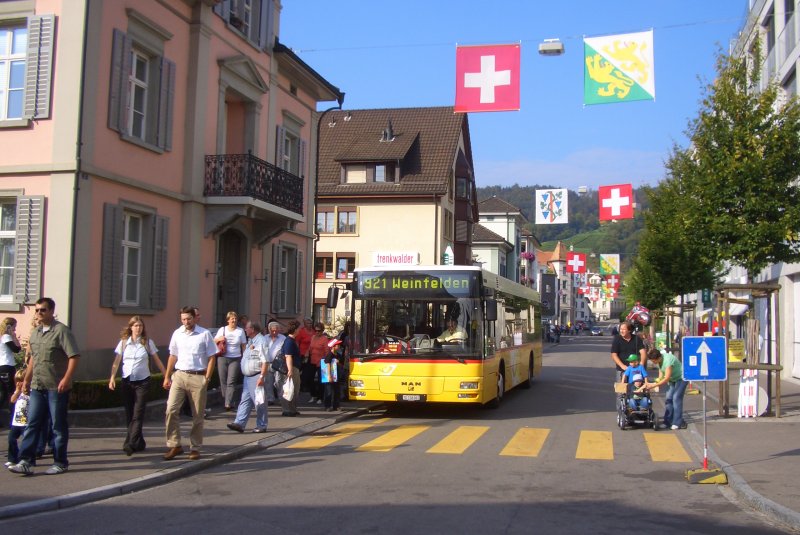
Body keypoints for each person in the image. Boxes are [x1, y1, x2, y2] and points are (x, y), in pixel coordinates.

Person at [9, 297, 80, 476]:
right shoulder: (36, 333)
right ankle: (26, 460)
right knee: (32, 423)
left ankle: (60, 461)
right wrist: (26, 379)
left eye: (43, 310)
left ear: (51, 311)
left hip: (56, 386)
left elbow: (74, 356)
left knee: (57, 425)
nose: (39, 313)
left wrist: (66, 378)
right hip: (37, 386)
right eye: (37, 310)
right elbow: (33, 358)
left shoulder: (61, 331)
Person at [162, 306, 217, 461]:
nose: (186, 322)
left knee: (197, 415)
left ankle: (195, 447)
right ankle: (175, 444)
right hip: (179, 375)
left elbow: (212, 356)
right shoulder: (177, 333)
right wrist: (167, 376)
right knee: (171, 410)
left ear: (195, 318)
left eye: (188, 319)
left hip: (197, 376)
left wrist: (207, 377)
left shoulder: (204, 334)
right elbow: (173, 355)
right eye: (183, 319)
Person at [108, 316, 166, 456]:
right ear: (131, 327)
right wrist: (112, 378)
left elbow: (157, 360)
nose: (138, 328)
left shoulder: (147, 342)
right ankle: (139, 442)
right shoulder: (123, 343)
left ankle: (131, 443)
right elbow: (117, 361)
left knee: (138, 413)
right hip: (127, 381)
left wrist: (166, 375)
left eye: (140, 326)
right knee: (129, 413)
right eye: (135, 325)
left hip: (142, 381)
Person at [227, 321, 269, 433]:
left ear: (253, 329)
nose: (245, 330)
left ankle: (262, 425)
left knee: (259, 402)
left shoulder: (261, 341)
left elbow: (265, 361)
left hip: (256, 376)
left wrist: (261, 377)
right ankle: (239, 423)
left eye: (247, 328)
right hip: (247, 377)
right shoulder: (251, 341)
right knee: (245, 401)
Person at [643, 348, 688, 430]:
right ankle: (667, 422)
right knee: (668, 398)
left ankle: (677, 422)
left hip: (681, 378)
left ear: (658, 358)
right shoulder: (660, 360)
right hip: (672, 379)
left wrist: (654, 386)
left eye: (654, 361)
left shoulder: (667, 361)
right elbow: (661, 372)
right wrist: (655, 382)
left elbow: (666, 378)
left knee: (676, 398)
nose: (653, 363)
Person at [215, 311, 246, 412]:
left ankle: (228, 402)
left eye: (235, 318)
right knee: (223, 380)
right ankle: (227, 399)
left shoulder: (240, 331)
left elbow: (243, 345)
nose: (234, 320)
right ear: (228, 320)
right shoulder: (222, 330)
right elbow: (213, 341)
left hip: (235, 358)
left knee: (231, 381)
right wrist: (219, 338)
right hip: (222, 357)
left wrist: (244, 358)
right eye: (232, 318)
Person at [276, 320, 302, 417]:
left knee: (294, 389)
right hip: (291, 368)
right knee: (289, 389)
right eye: (298, 328)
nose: (300, 330)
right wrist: (290, 370)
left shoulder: (291, 340)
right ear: (295, 330)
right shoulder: (289, 341)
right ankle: (287, 410)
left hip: (294, 367)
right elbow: (288, 356)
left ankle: (293, 409)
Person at [0, 317, 21, 421]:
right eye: (14, 327)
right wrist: (14, 337)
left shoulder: (1, 336)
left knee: (2, 393)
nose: (15, 329)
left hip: (1, 366)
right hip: (7, 366)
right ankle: (12, 418)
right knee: (10, 392)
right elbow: (16, 349)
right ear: (10, 326)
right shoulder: (6, 337)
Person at [6, 369, 28, 467]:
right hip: (16, 421)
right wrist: (18, 391)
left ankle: (24, 458)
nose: (19, 383)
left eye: (21, 380)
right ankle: (12, 458)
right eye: (17, 381)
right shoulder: (17, 391)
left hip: (26, 422)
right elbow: (12, 400)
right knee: (11, 438)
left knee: (25, 441)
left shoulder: (31, 392)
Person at [306, 323, 329, 404]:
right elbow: (310, 348)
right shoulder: (313, 337)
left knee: (320, 381)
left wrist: (326, 361)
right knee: (309, 378)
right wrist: (306, 354)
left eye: (319, 331)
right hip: (312, 360)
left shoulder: (324, 338)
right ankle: (313, 395)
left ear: (322, 331)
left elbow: (327, 350)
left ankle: (320, 397)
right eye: (315, 331)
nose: (317, 332)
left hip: (321, 361)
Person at [264, 321, 285, 405]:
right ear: (269, 330)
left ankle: (281, 398)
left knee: (278, 382)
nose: (274, 332)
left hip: (278, 363)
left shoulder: (283, 338)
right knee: (268, 382)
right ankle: (270, 398)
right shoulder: (265, 338)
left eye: (276, 330)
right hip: (268, 362)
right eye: (272, 330)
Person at [296, 317, 315, 396]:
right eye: (308, 323)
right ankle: (299, 386)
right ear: (304, 324)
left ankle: (305, 386)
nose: (310, 325)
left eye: (311, 323)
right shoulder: (301, 332)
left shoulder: (314, 332)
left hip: (311, 354)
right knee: (299, 370)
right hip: (302, 354)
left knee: (308, 371)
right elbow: (297, 342)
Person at [321, 338, 342, 411]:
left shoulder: (338, 355)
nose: (339, 346)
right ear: (333, 346)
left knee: (337, 391)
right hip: (330, 375)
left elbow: (340, 364)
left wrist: (338, 362)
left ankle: (336, 405)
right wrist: (329, 375)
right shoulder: (329, 355)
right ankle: (327, 406)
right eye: (337, 345)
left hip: (336, 375)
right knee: (328, 391)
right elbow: (328, 364)